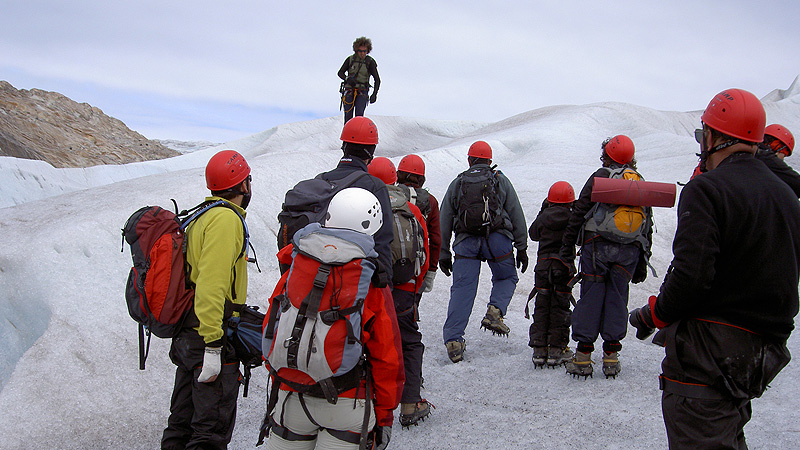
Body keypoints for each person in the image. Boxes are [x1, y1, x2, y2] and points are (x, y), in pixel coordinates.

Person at [629, 88, 800, 449]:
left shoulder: (706, 189)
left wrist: (652, 315)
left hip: (708, 355)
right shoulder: (786, 196)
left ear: (713, 136)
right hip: (759, 354)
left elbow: (691, 278)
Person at [263, 187, 404, 450]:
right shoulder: (370, 280)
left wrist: (284, 381)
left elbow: (274, 328)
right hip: (347, 402)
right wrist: (384, 416)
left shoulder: (297, 265)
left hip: (291, 397)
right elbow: (387, 356)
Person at [161, 150, 252, 450]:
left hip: (188, 333)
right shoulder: (225, 220)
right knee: (209, 432)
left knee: (181, 424)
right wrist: (214, 345)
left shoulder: (201, 216)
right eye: (247, 180)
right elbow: (211, 285)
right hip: (208, 335)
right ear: (242, 186)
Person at [559, 135, 653, 379]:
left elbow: (580, 211)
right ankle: (611, 357)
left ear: (607, 155)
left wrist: (567, 246)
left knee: (591, 296)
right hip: (629, 251)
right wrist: (643, 259)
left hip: (597, 246)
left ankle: (583, 357)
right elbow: (647, 223)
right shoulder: (638, 181)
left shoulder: (600, 176)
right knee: (617, 297)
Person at [439, 141, 528, 363]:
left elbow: (445, 218)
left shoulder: (458, 183)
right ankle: (495, 311)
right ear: (489, 161)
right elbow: (516, 212)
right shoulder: (499, 180)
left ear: (469, 160)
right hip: (497, 240)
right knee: (507, 276)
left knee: (462, 289)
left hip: (466, 243)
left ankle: (453, 341)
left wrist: (443, 253)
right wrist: (522, 247)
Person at [368, 156, 433, 428]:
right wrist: (415, 289)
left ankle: (369, 402)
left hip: (372, 289)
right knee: (409, 343)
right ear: (394, 179)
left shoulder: (363, 206)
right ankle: (410, 403)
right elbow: (424, 254)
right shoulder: (410, 209)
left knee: (370, 342)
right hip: (405, 291)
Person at [319, 116, 394, 286]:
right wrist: (385, 286)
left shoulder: (321, 180)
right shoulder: (375, 187)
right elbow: (383, 241)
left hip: (318, 274)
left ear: (343, 146)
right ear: (371, 151)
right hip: (355, 280)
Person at [527, 181, 576, 368]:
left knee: (542, 306)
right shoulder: (572, 218)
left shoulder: (544, 217)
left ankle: (539, 349)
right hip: (563, 268)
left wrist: (542, 211)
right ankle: (556, 349)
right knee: (560, 307)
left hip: (543, 267)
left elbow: (533, 234)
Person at [397, 154, 442, 294]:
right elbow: (436, 239)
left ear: (399, 175)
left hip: (394, 261)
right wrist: (431, 271)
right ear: (422, 179)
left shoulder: (392, 195)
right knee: (411, 304)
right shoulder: (431, 201)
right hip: (418, 265)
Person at [338, 36, 381, 124]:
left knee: (359, 115)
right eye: (360, 51)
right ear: (356, 50)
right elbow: (340, 73)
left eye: (364, 51)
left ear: (368, 50)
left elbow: (377, 79)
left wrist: (374, 94)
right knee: (348, 115)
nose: (362, 53)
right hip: (350, 90)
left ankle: (357, 135)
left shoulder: (370, 62)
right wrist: (347, 79)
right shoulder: (350, 60)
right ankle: (348, 134)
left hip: (362, 91)